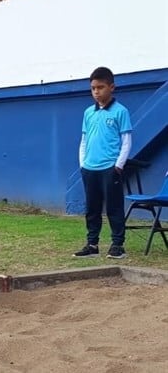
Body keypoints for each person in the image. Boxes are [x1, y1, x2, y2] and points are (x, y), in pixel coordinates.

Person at [74, 67, 132, 259]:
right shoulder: (88, 113)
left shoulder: (120, 111)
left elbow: (126, 141)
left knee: (114, 207)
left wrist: (118, 165)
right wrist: (83, 163)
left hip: (110, 168)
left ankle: (117, 245)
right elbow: (84, 140)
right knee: (92, 208)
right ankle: (92, 244)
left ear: (111, 87)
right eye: (93, 88)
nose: (96, 92)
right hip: (90, 168)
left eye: (100, 87)